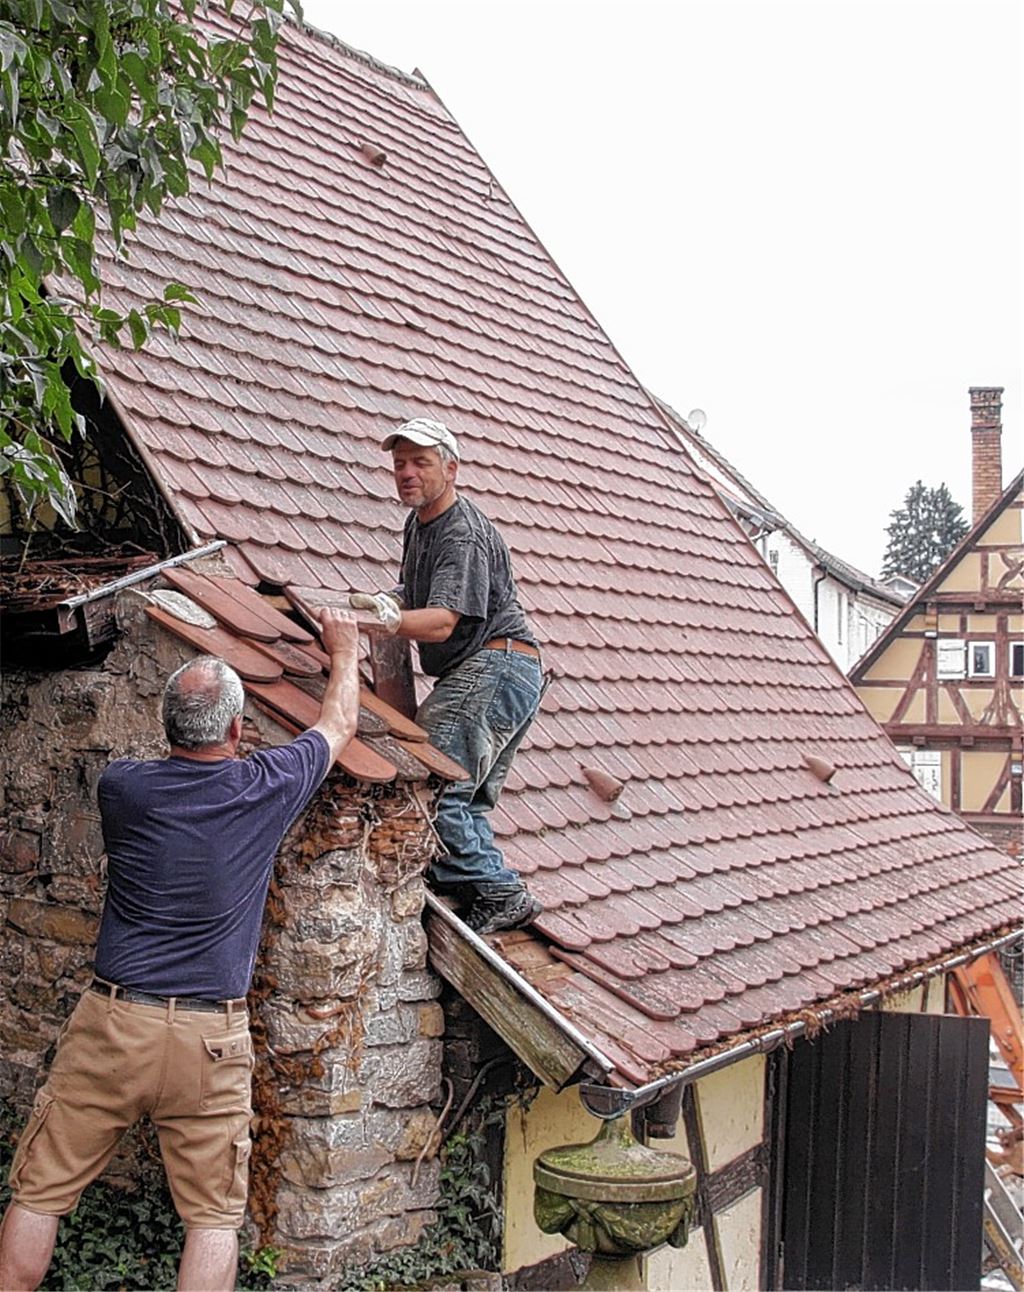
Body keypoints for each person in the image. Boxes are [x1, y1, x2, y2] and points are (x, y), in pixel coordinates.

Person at [0, 608, 360, 1292]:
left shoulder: (123, 790)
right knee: (213, 1220)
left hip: (114, 1024)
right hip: (209, 1039)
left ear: (168, 727)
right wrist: (343, 650)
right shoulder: (265, 787)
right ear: (235, 730)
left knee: (39, 1192)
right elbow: (337, 726)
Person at [351, 417, 544, 937]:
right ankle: (478, 888)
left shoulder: (461, 532)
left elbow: (439, 621)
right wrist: (390, 600)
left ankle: (501, 891)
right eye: (399, 464)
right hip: (508, 669)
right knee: (469, 801)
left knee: (432, 785)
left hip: (495, 666)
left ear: (451, 469)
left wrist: (384, 620)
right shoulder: (420, 524)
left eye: (420, 463)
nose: (407, 474)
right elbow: (415, 592)